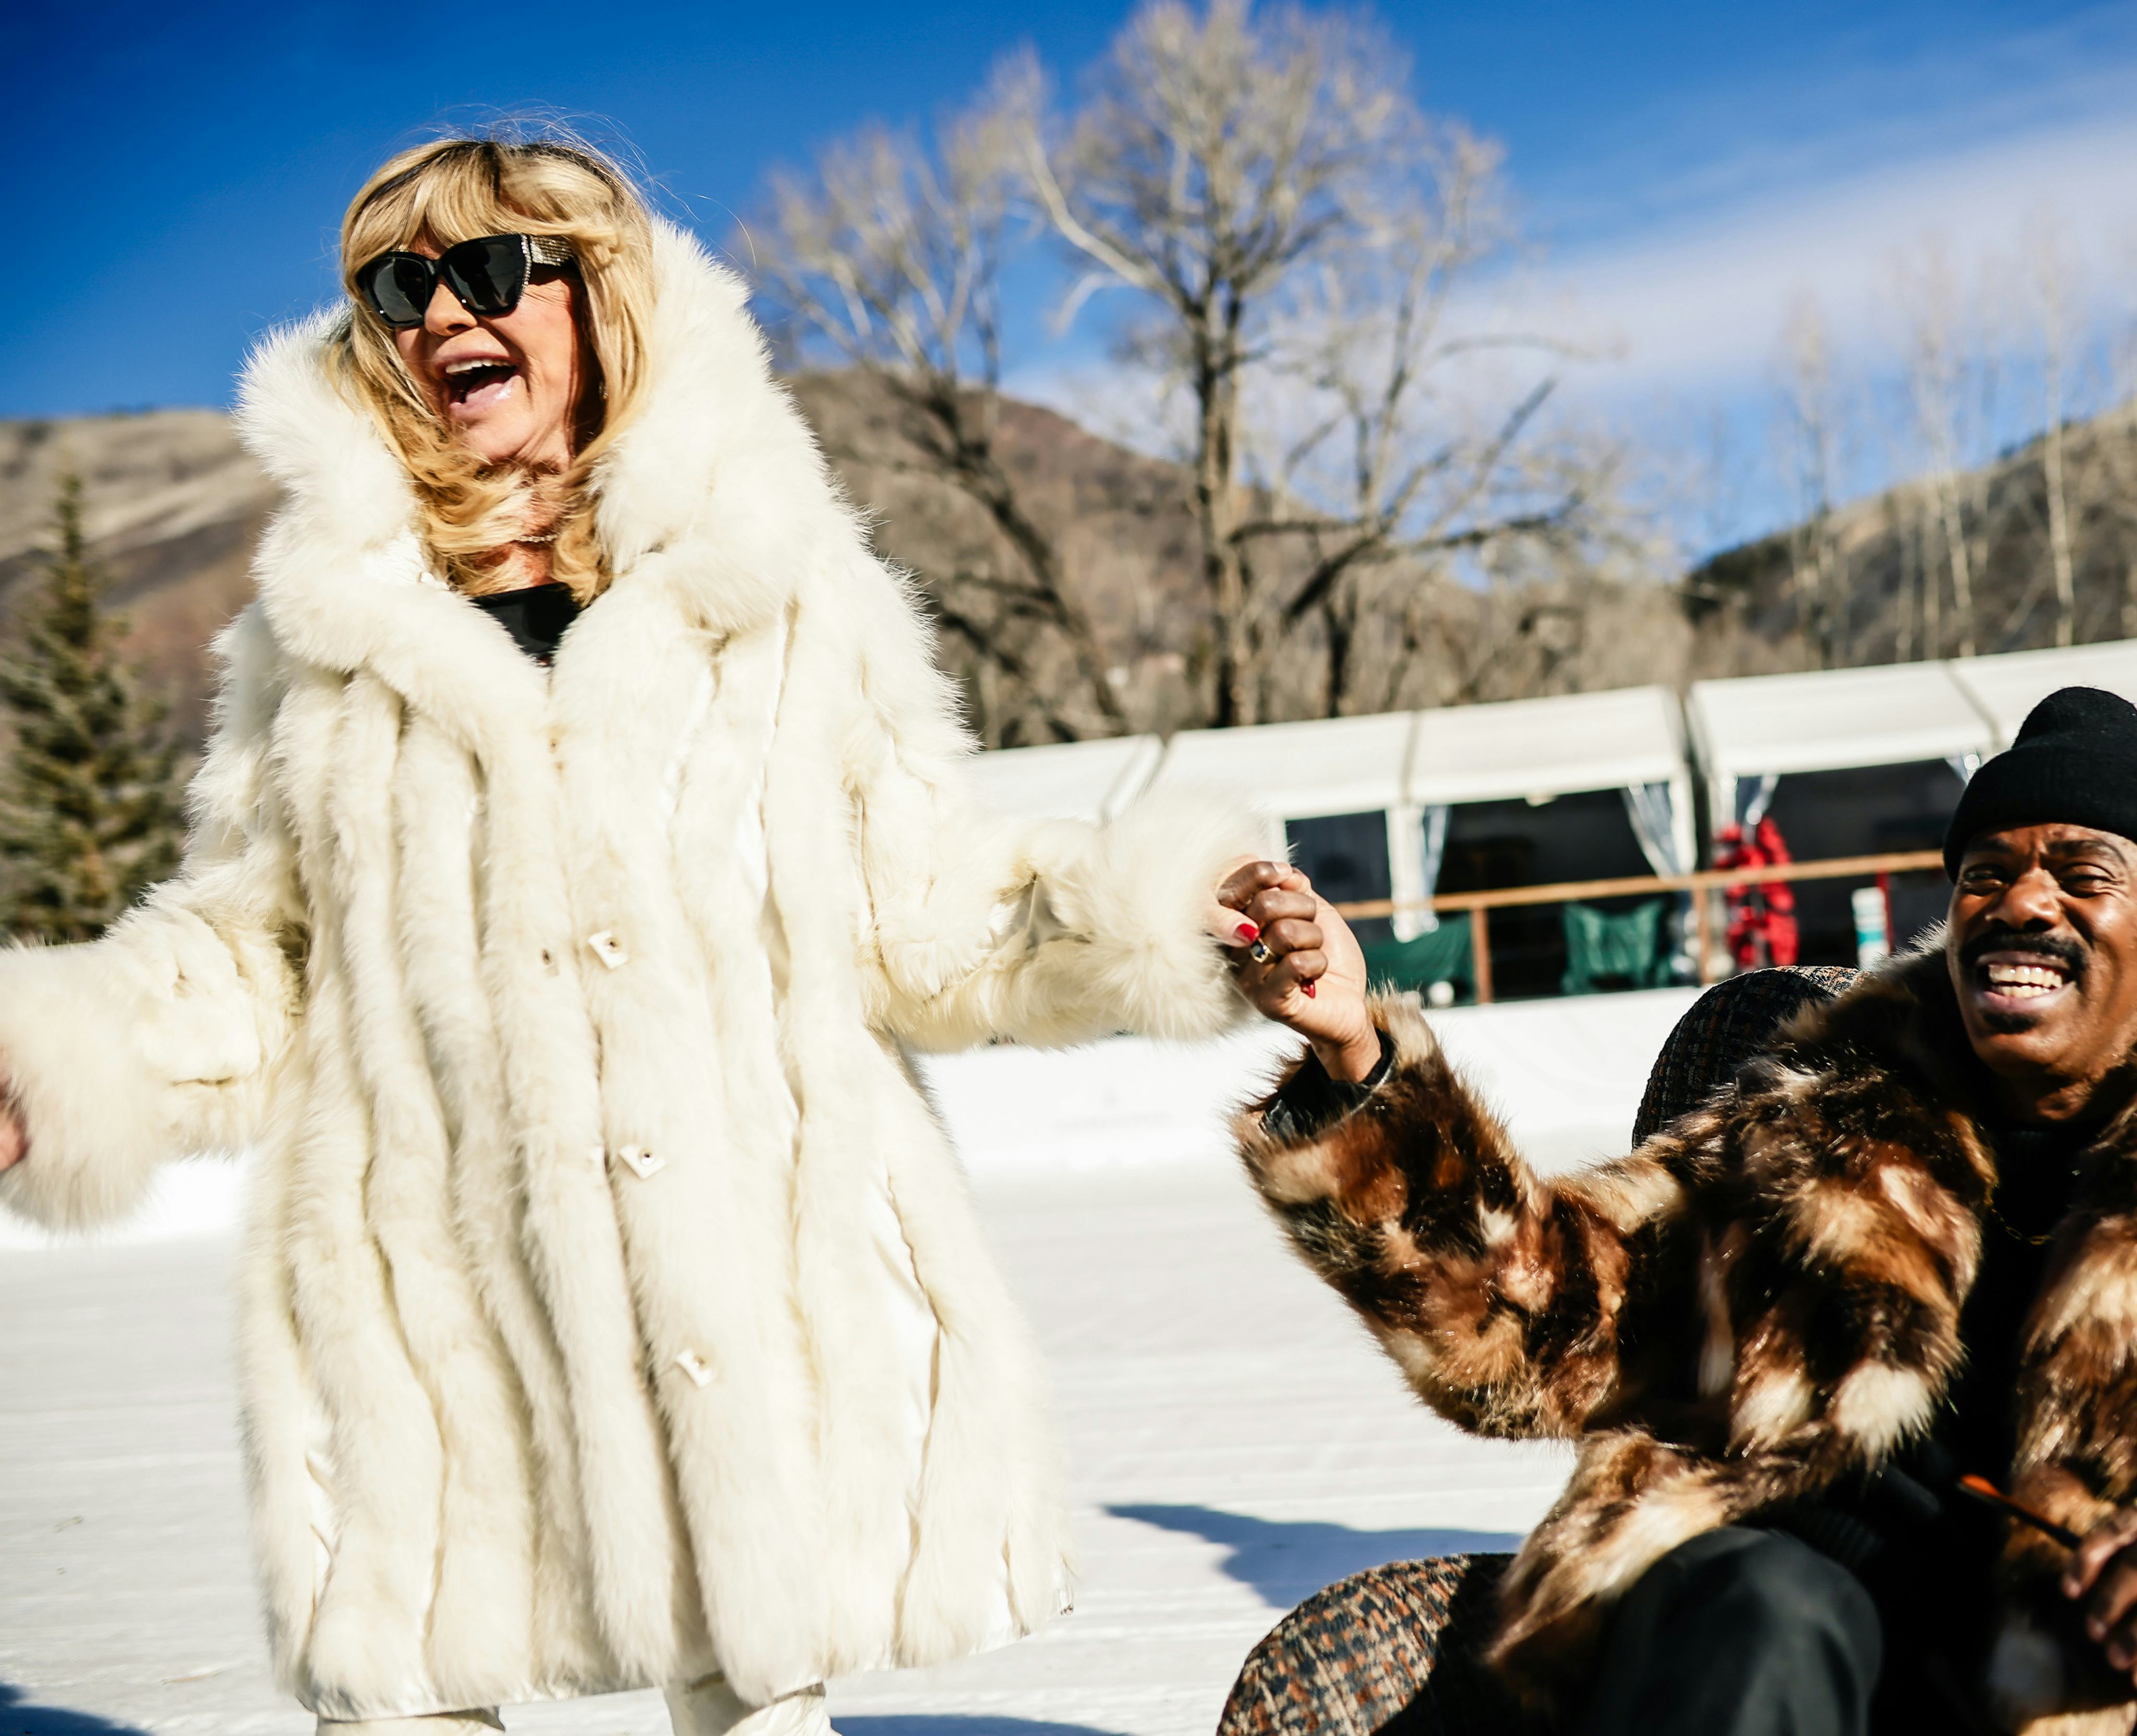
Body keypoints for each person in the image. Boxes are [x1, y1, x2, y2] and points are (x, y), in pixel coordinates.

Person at [0, 136, 1260, 1736]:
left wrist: (1172, 915)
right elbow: (255, 959)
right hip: (433, 1312)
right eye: (400, 285)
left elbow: (924, 906)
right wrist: (60, 1056)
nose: (441, 310)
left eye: (490, 269)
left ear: (598, 296)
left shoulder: (779, 592)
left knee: (755, 1688)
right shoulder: (320, 639)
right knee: (406, 1696)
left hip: (735, 1292)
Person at [1214, 686, 2137, 1734]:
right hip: (1785, 1683)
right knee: (1759, 1600)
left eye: (2082, 871)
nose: (2022, 902)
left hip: (2128, 1695)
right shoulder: (1817, 1133)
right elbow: (1540, 1324)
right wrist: (1356, 1059)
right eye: (1988, 871)